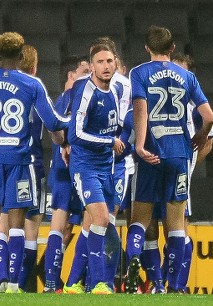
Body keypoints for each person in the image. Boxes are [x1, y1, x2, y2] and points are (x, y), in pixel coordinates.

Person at [0, 32, 69, 294]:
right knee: (16, 223)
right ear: (21, 56)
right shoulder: (31, 83)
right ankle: (12, 283)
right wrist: (74, 121)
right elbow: (52, 122)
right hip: (20, 159)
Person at [123, 26, 213, 294]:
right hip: (179, 154)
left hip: (151, 153)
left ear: (147, 48)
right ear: (172, 48)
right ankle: (174, 286)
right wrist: (200, 135)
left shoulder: (139, 73)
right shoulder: (186, 76)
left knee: (140, 220)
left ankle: (135, 264)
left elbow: (140, 110)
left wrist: (140, 145)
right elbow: (209, 116)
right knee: (176, 224)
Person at [67, 43, 125, 294]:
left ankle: (72, 283)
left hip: (106, 169)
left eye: (109, 61)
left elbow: (116, 128)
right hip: (85, 168)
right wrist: (109, 142)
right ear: (91, 66)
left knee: (94, 225)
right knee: (101, 219)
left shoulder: (115, 90)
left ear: (116, 63)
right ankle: (101, 282)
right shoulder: (86, 92)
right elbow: (75, 134)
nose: (106, 66)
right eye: (100, 62)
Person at [43, 55, 90, 293]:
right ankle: (56, 278)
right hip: (71, 166)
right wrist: (66, 145)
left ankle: (54, 276)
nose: (89, 73)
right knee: (63, 221)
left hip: (66, 167)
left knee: (66, 226)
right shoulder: (71, 97)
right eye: (84, 70)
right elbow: (57, 128)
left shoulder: (65, 100)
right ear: (70, 76)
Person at [16, 44, 46, 292]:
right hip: (33, 166)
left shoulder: (7, 91)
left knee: (6, 224)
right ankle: (23, 287)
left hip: (7, 165)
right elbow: (55, 126)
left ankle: (4, 278)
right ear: (35, 67)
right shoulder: (37, 91)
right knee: (30, 231)